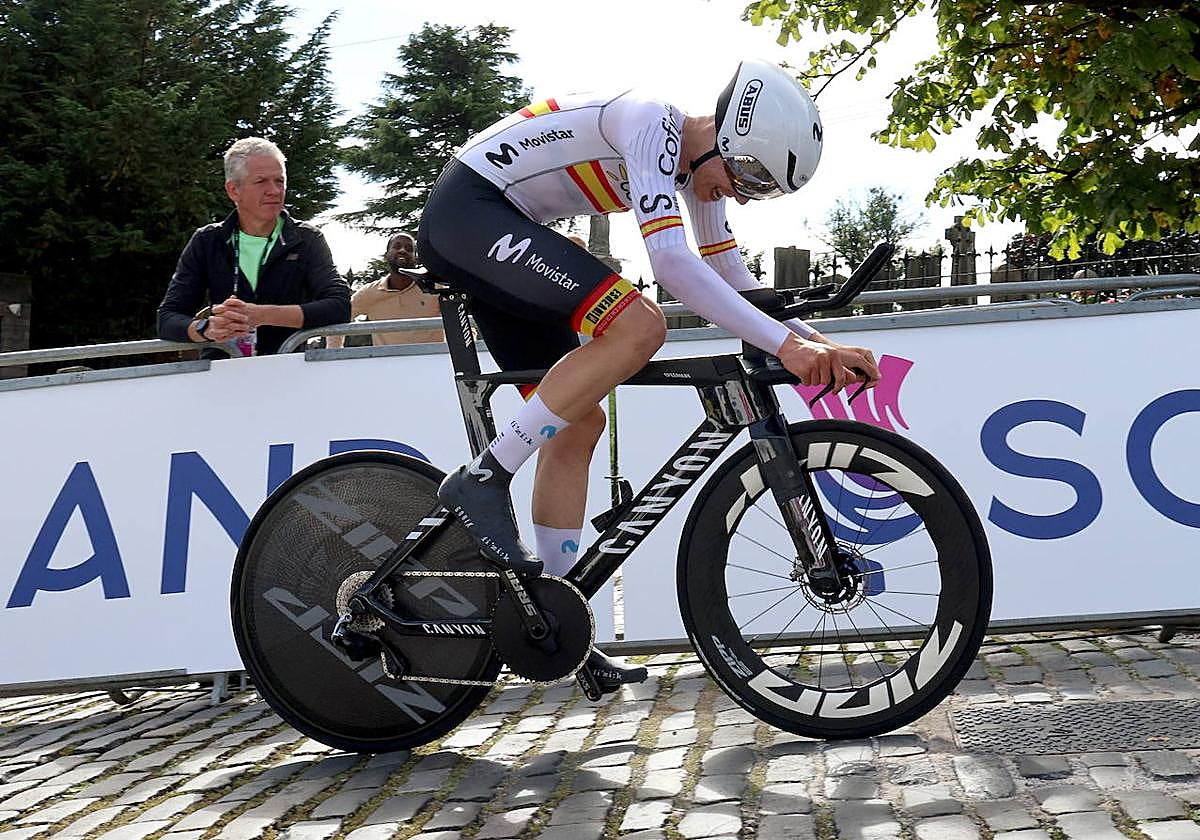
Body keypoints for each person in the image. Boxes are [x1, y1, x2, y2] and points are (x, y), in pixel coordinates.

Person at [418, 60, 881, 694]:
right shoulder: (653, 124)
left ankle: (559, 615)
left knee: (577, 427)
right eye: (747, 176)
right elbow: (669, 263)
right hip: (471, 212)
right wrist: (787, 347)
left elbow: (729, 277)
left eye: (761, 191)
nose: (741, 195)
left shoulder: (698, 173)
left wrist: (808, 341)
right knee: (640, 325)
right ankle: (483, 478)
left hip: (504, 227)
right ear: (726, 134)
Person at [157, 137, 350, 357]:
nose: (274, 191)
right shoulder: (207, 240)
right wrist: (206, 328)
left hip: (290, 375)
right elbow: (167, 318)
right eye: (261, 182)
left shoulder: (307, 239)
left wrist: (261, 315)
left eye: (279, 181)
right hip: (223, 376)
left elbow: (339, 306)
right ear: (233, 190)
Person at [328, 233, 445, 347]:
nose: (402, 250)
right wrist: (333, 355)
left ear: (417, 259)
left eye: (409, 248)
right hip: (387, 364)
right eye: (397, 246)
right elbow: (339, 319)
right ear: (386, 255)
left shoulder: (435, 289)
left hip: (431, 363)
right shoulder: (369, 293)